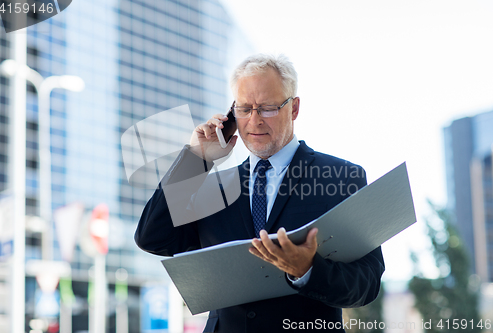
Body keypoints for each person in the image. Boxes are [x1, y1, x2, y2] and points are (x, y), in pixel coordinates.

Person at [135, 54, 385, 333]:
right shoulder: (212, 188)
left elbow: (368, 282)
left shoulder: (341, 177)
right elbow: (152, 237)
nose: (254, 121)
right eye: (244, 108)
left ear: (294, 108)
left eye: (267, 108)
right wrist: (195, 159)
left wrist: (308, 270)